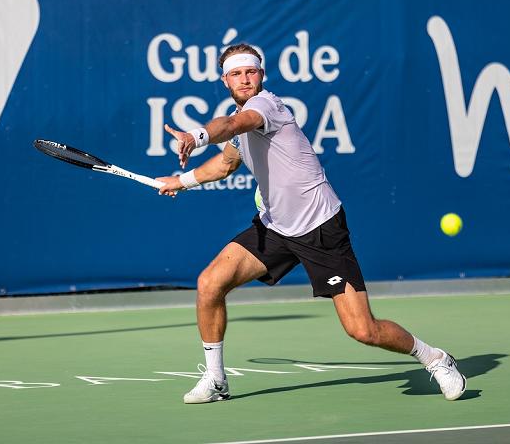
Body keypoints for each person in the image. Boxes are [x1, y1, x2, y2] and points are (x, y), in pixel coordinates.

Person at [155, 43, 466, 404]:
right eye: (236, 74)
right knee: (210, 283)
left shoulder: (264, 106)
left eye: (251, 71)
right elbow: (225, 165)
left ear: (261, 75)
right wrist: (181, 181)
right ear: (225, 80)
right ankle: (216, 379)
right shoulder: (239, 125)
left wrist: (198, 136)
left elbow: (233, 123)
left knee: (363, 330)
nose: (245, 79)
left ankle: (436, 358)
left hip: (321, 229)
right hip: (275, 228)